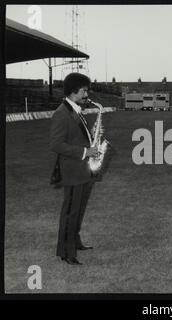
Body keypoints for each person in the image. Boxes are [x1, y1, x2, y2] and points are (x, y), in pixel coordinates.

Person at [50, 72, 99, 265]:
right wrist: (85, 151)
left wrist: (92, 136)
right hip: (72, 171)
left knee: (79, 209)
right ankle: (65, 251)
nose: (87, 94)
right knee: (70, 210)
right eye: (84, 90)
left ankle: (75, 241)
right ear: (73, 91)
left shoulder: (77, 110)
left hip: (84, 170)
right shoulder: (61, 114)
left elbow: (79, 136)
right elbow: (56, 144)